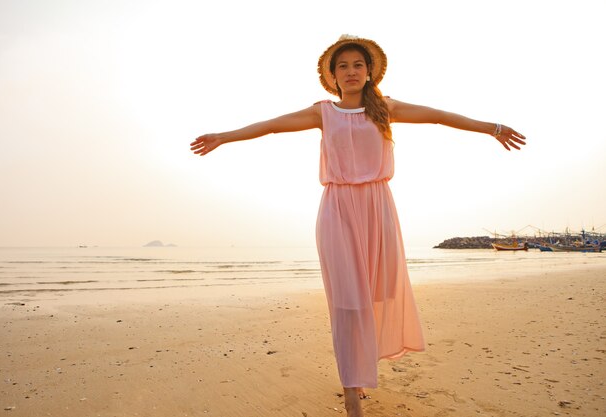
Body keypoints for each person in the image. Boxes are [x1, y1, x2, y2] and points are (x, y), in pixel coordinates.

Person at [190, 34, 526, 417]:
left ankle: (361, 368)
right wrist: (224, 137)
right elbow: (271, 126)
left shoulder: (385, 108)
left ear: (369, 73)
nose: (350, 71)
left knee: (375, 295)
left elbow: (439, 116)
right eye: (343, 66)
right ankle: (352, 391)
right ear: (332, 77)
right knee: (347, 302)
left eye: (357, 65)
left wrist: (492, 127)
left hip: (378, 208)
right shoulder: (323, 112)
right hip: (337, 208)